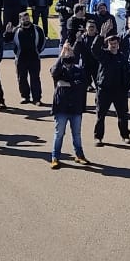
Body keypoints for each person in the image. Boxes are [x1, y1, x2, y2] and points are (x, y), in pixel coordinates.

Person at [48, 41, 90, 169]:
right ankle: (55, 158)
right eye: (66, 55)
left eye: (70, 54)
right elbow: (54, 72)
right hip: (61, 107)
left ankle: (79, 155)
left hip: (76, 107)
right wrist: (61, 55)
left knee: (76, 134)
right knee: (59, 133)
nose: (68, 58)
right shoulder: (58, 69)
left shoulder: (79, 69)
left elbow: (83, 84)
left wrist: (69, 84)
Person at [92, 32, 130, 144]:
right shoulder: (103, 55)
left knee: (123, 115)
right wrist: (101, 36)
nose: (113, 45)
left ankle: (125, 135)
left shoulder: (123, 57)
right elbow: (94, 49)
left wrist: (126, 87)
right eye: (111, 43)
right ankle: (98, 137)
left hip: (120, 91)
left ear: (118, 44)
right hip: (104, 90)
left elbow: (128, 73)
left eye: (115, 43)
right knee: (101, 115)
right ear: (107, 45)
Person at [9, 13, 45, 105]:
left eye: (27, 18)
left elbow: (43, 40)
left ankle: (37, 99)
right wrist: (8, 32)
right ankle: (25, 96)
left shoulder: (37, 29)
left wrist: (38, 51)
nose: (26, 20)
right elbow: (7, 40)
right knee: (22, 78)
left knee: (35, 78)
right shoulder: (16, 30)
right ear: (20, 20)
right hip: (21, 58)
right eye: (24, 19)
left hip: (34, 58)